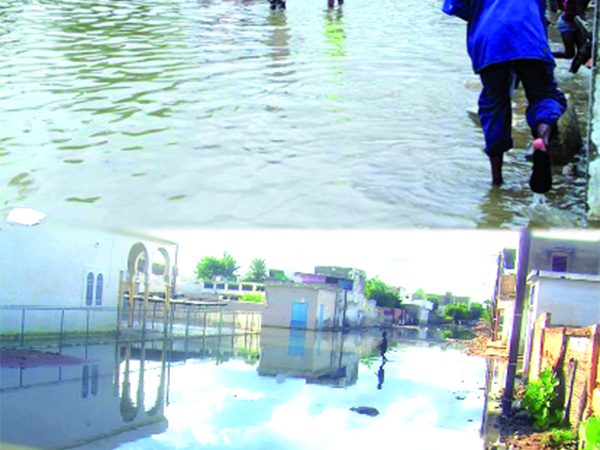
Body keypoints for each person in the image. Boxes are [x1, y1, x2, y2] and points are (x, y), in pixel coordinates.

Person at [442, 0, 567, 193]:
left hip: (491, 40)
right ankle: (542, 139)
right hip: (529, 35)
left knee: (494, 106)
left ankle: (497, 183)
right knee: (543, 96)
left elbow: (456, 7)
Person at [549, 0, 591, 73]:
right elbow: (579, 16)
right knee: (569, 54)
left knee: (583, 52)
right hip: (566, 25)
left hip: (577, 24)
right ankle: (545, 55)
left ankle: (572, 73)